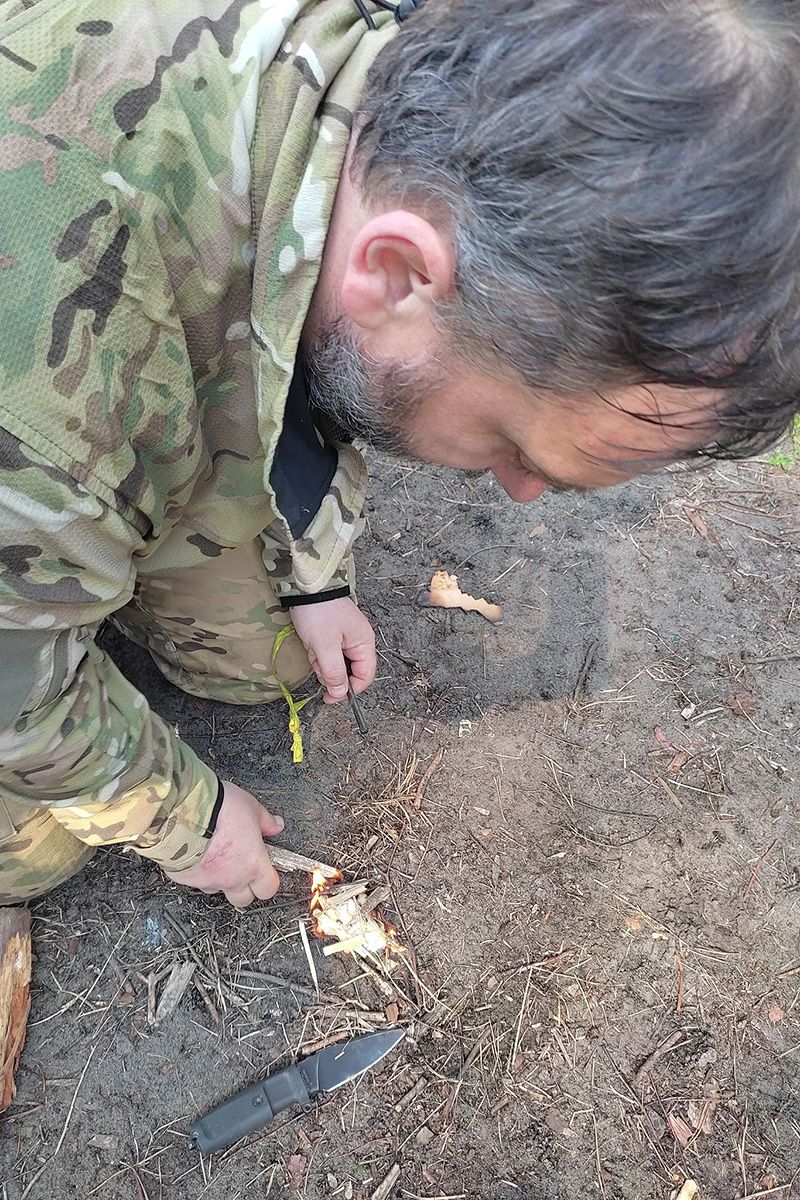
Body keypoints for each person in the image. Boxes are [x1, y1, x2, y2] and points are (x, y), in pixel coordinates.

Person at [1, 0, 797, 908]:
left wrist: (312, 573)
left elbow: (294, 340)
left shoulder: (386, 115)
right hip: (42, 427)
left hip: (85, 450)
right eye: (514, 444)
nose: (520, 491)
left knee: (264, 658)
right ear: (397, 274)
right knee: (34, 850)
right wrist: (189, 821)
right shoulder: (47, 407)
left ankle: (86, 563)